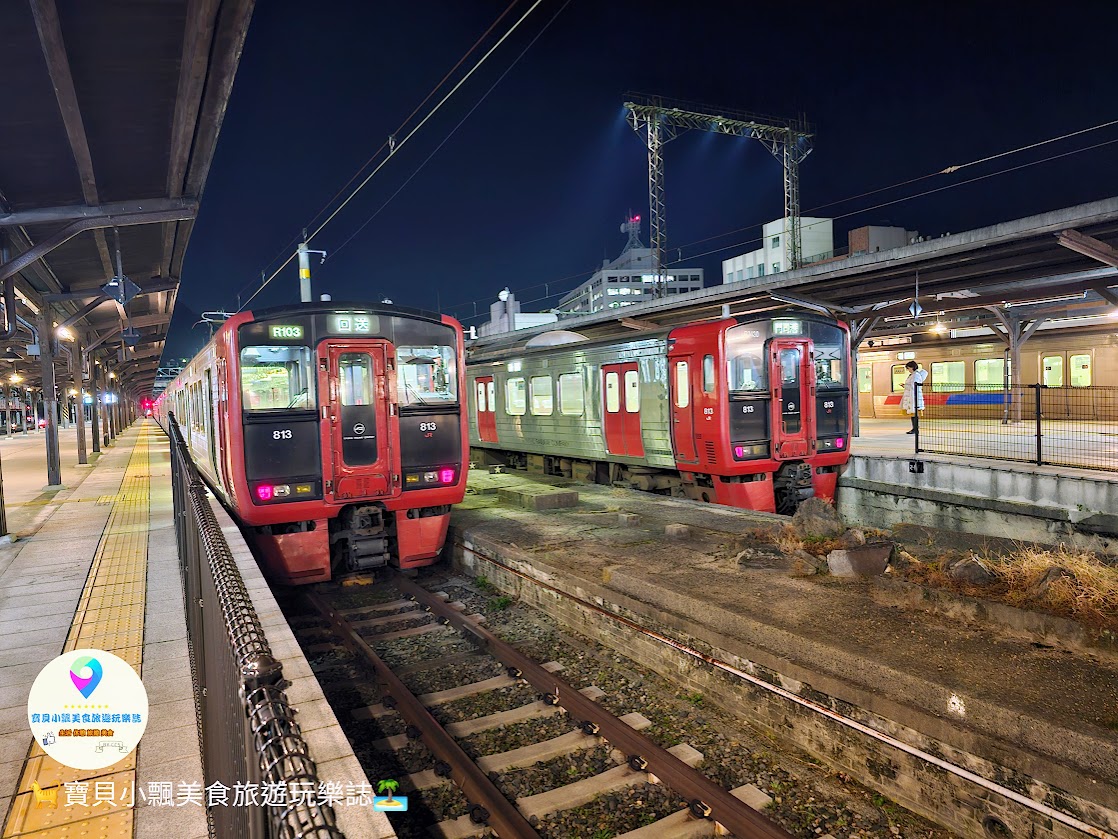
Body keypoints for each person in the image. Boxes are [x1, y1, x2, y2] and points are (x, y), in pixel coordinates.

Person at [900, 360, 928, 434]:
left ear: (912, 367)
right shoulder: (914, 375)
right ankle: (914, 428)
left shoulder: (915, 375)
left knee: (914, 414)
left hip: (914, 397)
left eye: (908, 368)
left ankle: (915, 429)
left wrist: (904, 386)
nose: (908, 370)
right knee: (913, 414)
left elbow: (913, 387)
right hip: (913, 397)